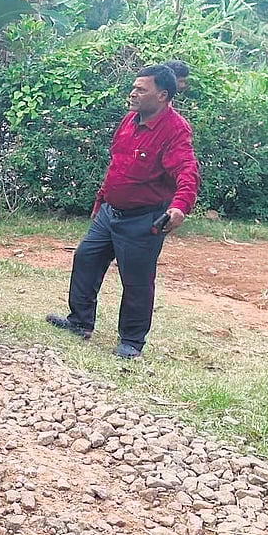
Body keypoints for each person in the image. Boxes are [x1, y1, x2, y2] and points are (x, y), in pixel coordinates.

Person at [46, 64, 200, 359]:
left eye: (142, 89)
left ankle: (131, 342)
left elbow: (186, 169)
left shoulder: (175, 129)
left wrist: (180, 206)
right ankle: (79, 322)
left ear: (163, 95)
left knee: (137, 281)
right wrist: (101, 199)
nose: (133, 93)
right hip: (110, 212)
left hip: (144, 219)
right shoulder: (129, 120)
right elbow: (118, 163)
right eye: (134, 87)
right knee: (86, 258)